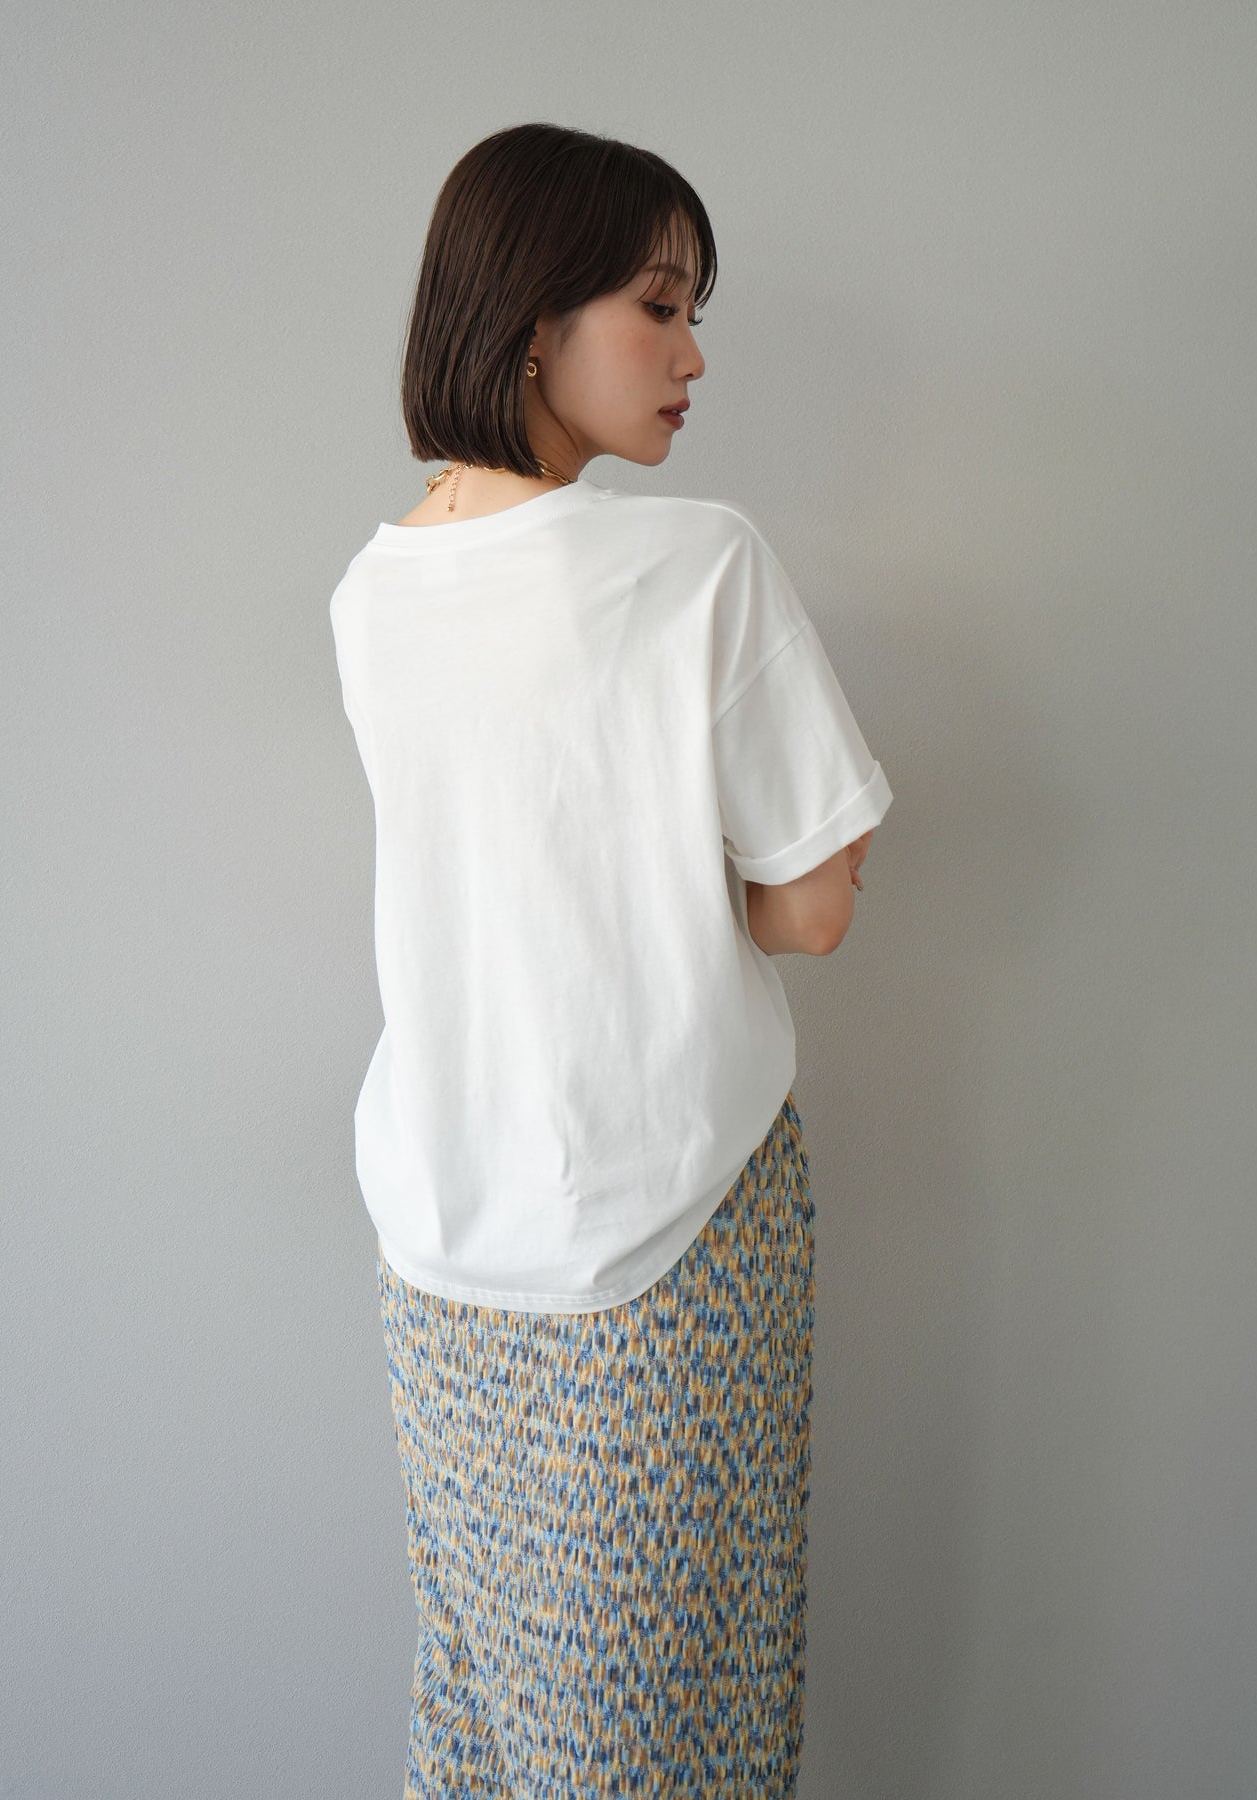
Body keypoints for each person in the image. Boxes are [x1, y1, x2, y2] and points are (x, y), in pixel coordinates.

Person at [327, 121, 892, 1799]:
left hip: (437, 1250)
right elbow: (814, 905)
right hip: (667, 1246)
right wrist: (677, 870)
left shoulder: (372, 591)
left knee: (484, 1717)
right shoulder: (695, 563)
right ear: (530, 320)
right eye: (658, 306)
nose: (692, 354)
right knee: (670, 1735)